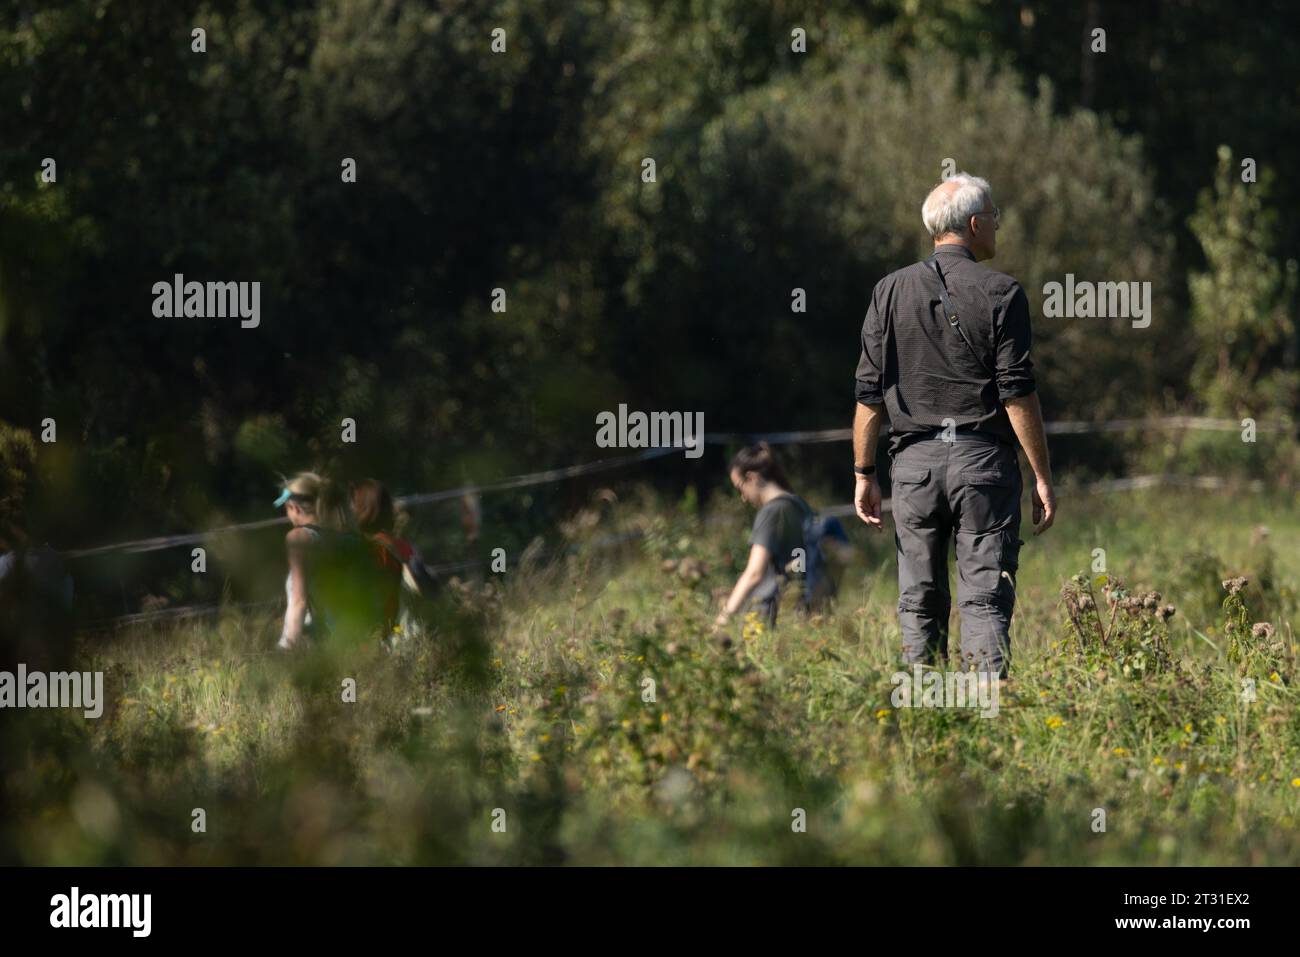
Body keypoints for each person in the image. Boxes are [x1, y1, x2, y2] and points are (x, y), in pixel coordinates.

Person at [852, 172, 1056, 678]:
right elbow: (1016, 392)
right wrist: (1043, 477)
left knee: (918, 598)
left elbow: (868, 395)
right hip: (981, 464)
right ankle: (987, 715)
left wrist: (864, 472)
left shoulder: (888, 290)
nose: (997, 227)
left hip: (913, 467)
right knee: (984, 598)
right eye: (994, 219)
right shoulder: (1003, 292)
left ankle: (926, 713)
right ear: (973, 223)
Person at [714, 443, 815, 630]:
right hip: (802, 610)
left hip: (772, 615)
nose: (743, 497)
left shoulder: (771, 512)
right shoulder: (800, 505)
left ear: (752, 478)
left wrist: (723, 619)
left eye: (740, 488)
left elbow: (754, 573)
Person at [275, 471, 373, 651]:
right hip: (362, 639)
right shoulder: (352, 539)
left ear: (293, 507)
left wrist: (286, 648)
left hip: (325, 649)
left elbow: (299, 601)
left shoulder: (300, 538)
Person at [349, 478, 437, 644]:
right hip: (412, 634)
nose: (349, 510)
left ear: (364, 510)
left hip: (387, 642)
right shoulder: (402, 546)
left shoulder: (373, 550)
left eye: (353, 505)